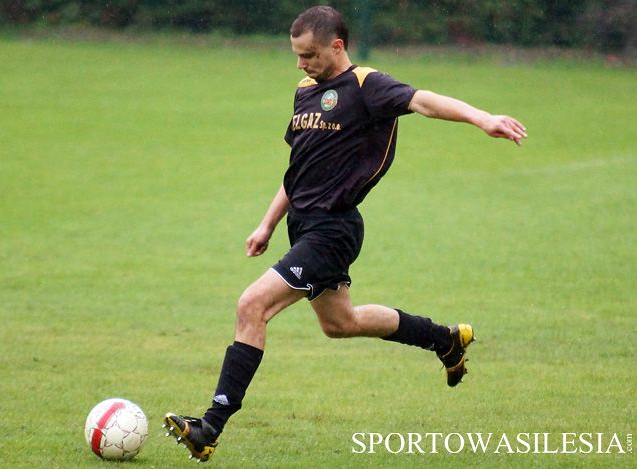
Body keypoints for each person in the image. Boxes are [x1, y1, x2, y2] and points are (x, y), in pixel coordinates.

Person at [163, 5, 527, 462]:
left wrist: (482, 118)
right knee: (341, 324)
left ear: (337, 45)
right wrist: (268, 223)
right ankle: (445, 339)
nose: (301, 64)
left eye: (309, 55)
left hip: (334, 230)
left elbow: (425, 100)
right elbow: (298, 169)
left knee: (251, 305)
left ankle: (210, 426)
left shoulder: (367, 86)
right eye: (296, 55)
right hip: (305, 226)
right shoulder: (304, 91)